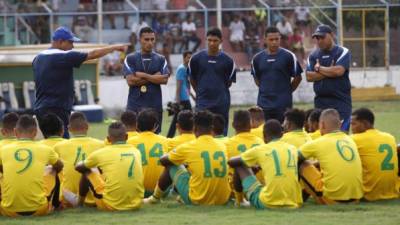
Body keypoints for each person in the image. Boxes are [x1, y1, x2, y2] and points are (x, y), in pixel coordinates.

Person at [33, 26, 126, 138]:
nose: (73, 46)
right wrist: (114, 48)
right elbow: (92, 54)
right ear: (60, 42)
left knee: (49, 143)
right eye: (70, 42)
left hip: (40, 108)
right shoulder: (62, 56)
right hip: (57, 107)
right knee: (62, 144)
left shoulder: (38, 57)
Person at [144, 110, 231, 205]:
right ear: (212, 128)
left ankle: (154, 198)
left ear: (194, 128)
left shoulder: (189, 147)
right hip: (223, 199)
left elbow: (162, 161)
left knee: (171, 164)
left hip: (199, 200)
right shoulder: (222, 145)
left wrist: (180, 162)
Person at [228, 119, 303, 209]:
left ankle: (240, 201)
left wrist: (251, 166)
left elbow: (231, 162)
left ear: (264, 136)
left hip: (268, 202)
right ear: (282, 134)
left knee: (239, 164)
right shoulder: (293, 149)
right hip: (293, 202)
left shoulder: (261, 149)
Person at [0, 115, 63, 217]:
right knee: (52, 169)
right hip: (39, 209)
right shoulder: (45, 149)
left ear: (15, 132)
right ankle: (55, 204)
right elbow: (60, 166)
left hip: (7, 211)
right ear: (35, 132)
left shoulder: (3, 149)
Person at [75, 122, 144, 211]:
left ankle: (79, 203)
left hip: (111, 205)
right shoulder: (136, 151)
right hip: (136, 204)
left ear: (108, 139)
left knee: (88, 171)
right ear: (126, 137)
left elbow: (78, 167)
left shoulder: (101, 153)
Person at [299, 109, 363, 204]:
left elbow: (293, 157)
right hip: (356, 199)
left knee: (302, 164)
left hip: (332, 199)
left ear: (322, 124)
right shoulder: (350, 140)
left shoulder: (319, 142)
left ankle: (298, 197)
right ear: (340, 124)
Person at [189, 28, 236, 135]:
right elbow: (191, 79)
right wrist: (200, 93)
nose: (212, 43)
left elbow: (229, 83)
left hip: (221, 103)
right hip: (203, 103)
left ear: (221, 41)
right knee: (201, 133)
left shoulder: (228, 61)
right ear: (206, 40)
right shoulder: (196, 59)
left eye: (215, 41)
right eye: (209, 40)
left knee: (221, 135)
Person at [123, 27, 170, 134]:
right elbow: (131, 81)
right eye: (146, 39)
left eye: (152, 39)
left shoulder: (161, 59)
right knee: (133, 138)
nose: (150, 42)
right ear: (140, 40)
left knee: (154, 138)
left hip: (154, 106)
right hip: (135, 106)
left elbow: (164, 79)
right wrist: (154, 77)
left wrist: (143, 75)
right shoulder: (130, 58)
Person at [251, 26, 303, 123]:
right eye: (271, 39)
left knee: (283, 133)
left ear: (280, 39)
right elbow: (257, 79)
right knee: (265, 134)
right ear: (265, 40)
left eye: (276, 39)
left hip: (283, 105)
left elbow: (298, 78)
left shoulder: (289, 56)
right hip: (263, 105)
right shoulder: (257, 58)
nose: (274, 42)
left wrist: (287, 91)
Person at [306, 24, 352, 131]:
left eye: (322, 37)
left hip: (341, 102)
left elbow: (338, 71)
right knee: (322, 136)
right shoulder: (313, 55)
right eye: (317, 38)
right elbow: (309, 76)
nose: (319, 40)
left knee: (341, 135)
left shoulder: (342, 51)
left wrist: (319, 68)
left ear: (331, 35)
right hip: (320, 103)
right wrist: (329, 70)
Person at [54, 112, 104, 207]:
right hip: (95, 198)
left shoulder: (58, 147)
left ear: (68, 129)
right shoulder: (101, 144)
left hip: (67, 200)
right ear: (87, 126)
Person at [351, 108, 399, 201]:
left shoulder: (356, 139)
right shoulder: (390, 137)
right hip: (393, 192)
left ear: (365, 123)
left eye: (354, 124)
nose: (351, 128)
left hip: (369, 194)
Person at [127, 109, 169, 197]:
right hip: (162, 191)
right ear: (155, 126)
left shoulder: (129, 142)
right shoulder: (166, 141)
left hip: (137, 190)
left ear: (137, 125)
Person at [225, 110, 264, 205]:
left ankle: (239, 199)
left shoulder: (227, 143)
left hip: (236, 188)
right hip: (259, 186)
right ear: (250, 124)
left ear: (233, 125)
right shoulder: (260, 142)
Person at [167, 51, 193, 137]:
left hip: (185, 97)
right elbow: (179, 85)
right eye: (188, 57)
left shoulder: (187, 68)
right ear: (184, 58)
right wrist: (177, 100)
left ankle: (169, 137)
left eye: (190, 57)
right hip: (182, 99)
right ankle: (193, 136)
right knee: (190, 117)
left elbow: (187, 84)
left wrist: (192, 95)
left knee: (177, 120)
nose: (189, 59)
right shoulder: (181, 69)